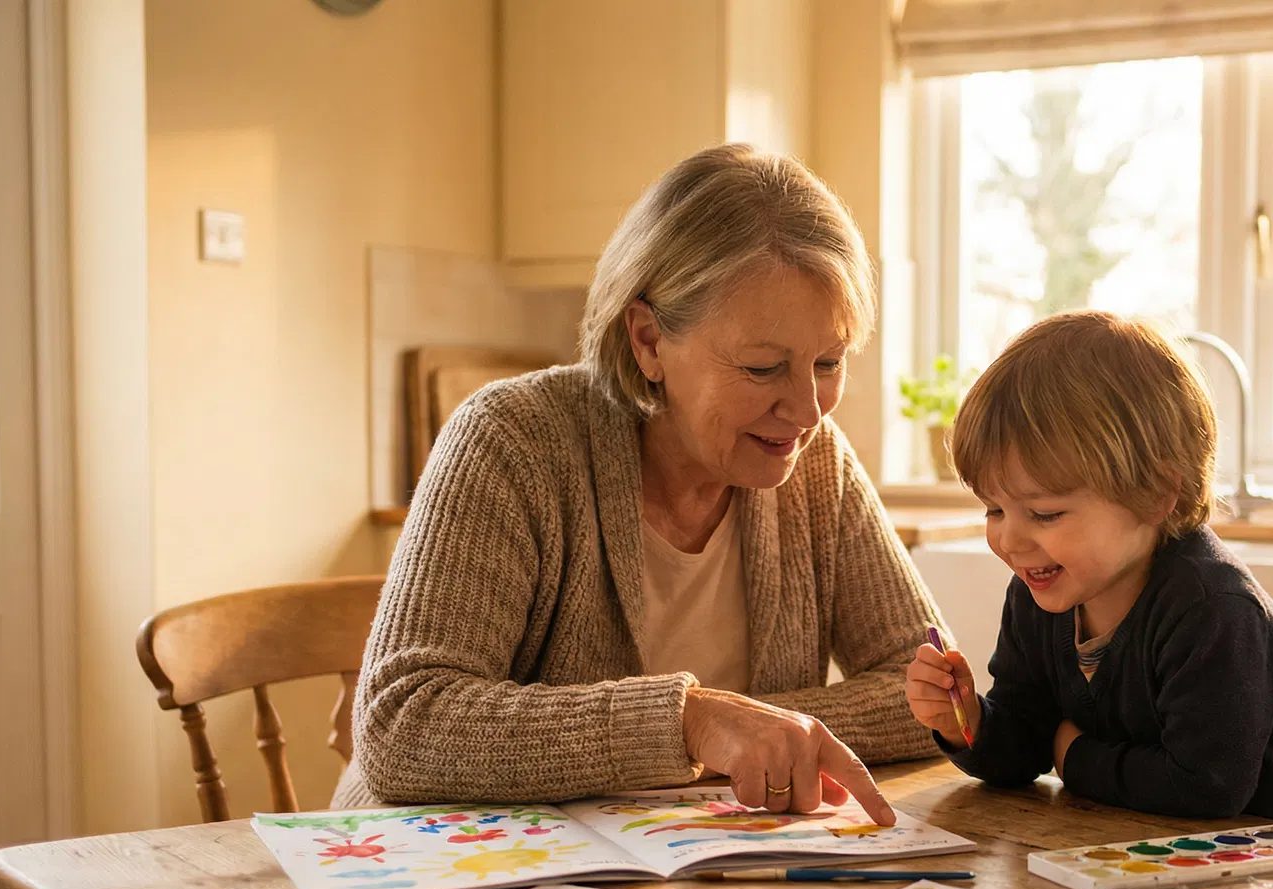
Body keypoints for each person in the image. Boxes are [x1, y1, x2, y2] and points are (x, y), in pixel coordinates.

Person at [331, 144, 945, 823]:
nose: (806, 409)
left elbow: (929, 695)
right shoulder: (511, 439)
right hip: (455, 883)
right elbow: (405, 724)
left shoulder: (816, 463)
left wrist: (756, 732)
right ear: (649, 340)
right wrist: (692, 722)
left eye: (828, 361)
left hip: (701, 869)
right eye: (764, 368)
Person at [904, 311, 1273, 836]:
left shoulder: (1215, 611)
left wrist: (1072, 754)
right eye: (994, 510)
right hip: (1184, 861)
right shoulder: (1040, 593)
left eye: (1044, 514)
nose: (1009, 541)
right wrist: (968, 723)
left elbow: (1206, 788)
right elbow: (1024, 741)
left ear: (1155, 495)